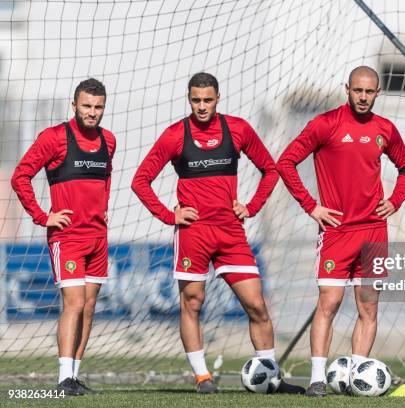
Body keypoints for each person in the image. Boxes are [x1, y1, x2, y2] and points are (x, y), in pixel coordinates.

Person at [131, 72, 303, 394]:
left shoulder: (237, 129)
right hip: (193, 233)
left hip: (231, 233)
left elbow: (271, 169)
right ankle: (202, 377)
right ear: (189, 99)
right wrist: (169, 215)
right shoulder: (174, 135)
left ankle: (272, 378)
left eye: (207, 100)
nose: (201, 106)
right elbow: (141, 181)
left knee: (257, 306)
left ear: (218, 98)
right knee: (192, 303)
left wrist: (251, 207)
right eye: (196, 100)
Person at [277, 66, 405, 397]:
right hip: (336, 232)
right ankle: (316, 379)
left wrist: (395, 200)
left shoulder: (385, 129)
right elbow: (286, 162)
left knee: (368, 307)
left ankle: (358, 376)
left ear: (377, 93)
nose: (363, 97)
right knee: (330, 301)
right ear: (347, 90)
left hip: (373, 233)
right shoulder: (325, 124)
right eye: (358, 91)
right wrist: (311, 206)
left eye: (369, 92)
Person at [11, 78, 115, 395]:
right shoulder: (55, 137)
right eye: (86, 105)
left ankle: (75, 376)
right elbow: (20, 177)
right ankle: (62, 378)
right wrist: (43, 217)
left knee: (89, 306)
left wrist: (104, 206)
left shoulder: (109, 140)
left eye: (98, 107)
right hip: (66, 238)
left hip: (98, 237)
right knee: (75, 302)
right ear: (74, 106)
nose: (92, 112)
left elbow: (105, 177)